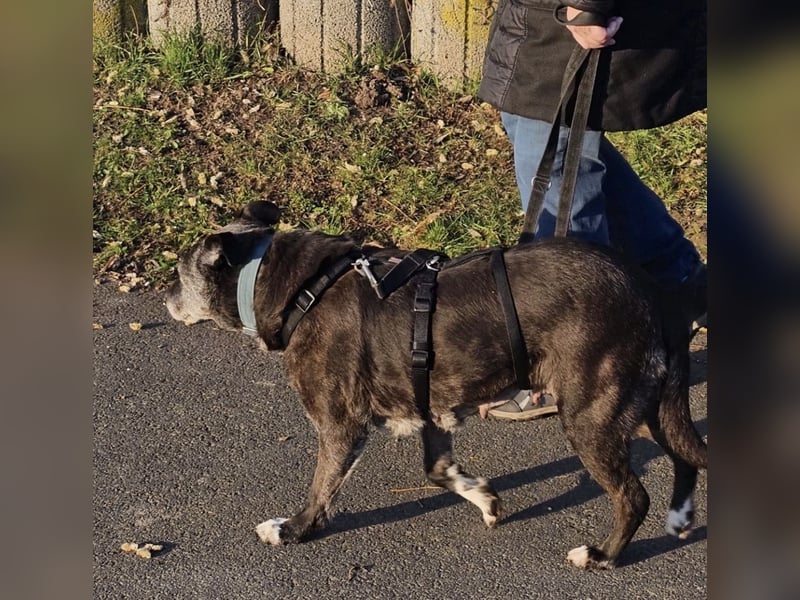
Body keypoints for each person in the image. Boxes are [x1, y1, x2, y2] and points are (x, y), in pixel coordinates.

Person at [476, 0, 708, 420]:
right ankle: (677, 280)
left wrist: (587, 7)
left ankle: (577, 361)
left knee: (555, 145)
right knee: (538, 127)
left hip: (577, 16)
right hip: (541, 16)